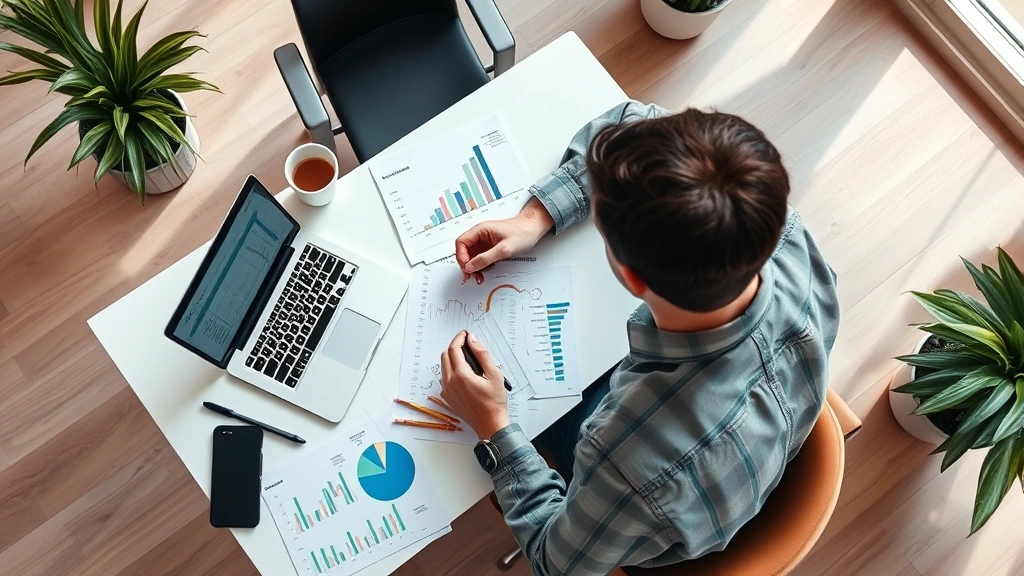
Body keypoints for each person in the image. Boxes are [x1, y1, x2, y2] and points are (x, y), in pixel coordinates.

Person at [437, 101, 840, 576]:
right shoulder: (785, 233)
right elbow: (633, 118)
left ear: (630, 277)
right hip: (737, 457)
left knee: (530, 402)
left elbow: (555, 562)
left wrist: (493, 428)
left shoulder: (626, 462)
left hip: (653, 498)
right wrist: (534, 218)